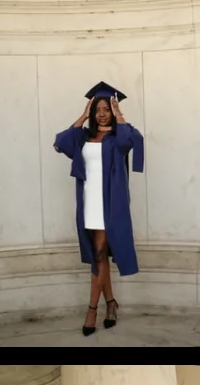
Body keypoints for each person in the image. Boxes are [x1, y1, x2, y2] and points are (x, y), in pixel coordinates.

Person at [54, 89, 143, 329]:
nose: (102, 114)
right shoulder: (83, 136)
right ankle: (111, 303)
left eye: (106, 110)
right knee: (98, 256)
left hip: (109, 203)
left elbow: (131, 141)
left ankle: (92, 310)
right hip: (88, 202)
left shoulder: (117, 137)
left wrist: (119, 114)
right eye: (98, 110)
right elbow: (61, 142)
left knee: (101, 254)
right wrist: (83, 116)